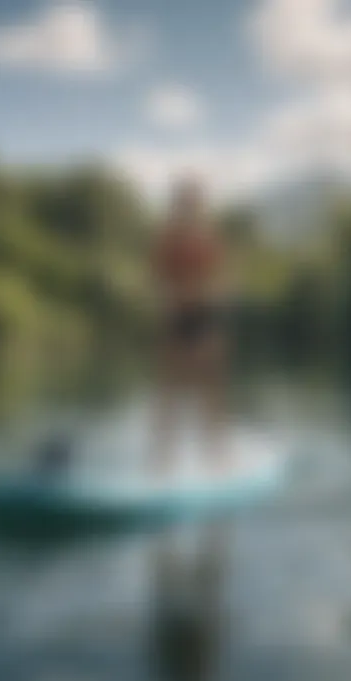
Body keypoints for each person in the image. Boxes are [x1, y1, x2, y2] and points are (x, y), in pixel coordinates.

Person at [151, 176, 230, 477]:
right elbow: (158, 280)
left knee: (211, 395)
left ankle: (219, 463)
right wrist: (174, 295)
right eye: (183, 203)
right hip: (176, 320)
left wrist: (206, 293)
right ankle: (161, 467)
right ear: (177, 206)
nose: (188, 209)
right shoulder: (166, 241)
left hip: (205, 318)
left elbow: (220, 281)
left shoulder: (208, 241)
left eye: (192, 204)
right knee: (168, 395)